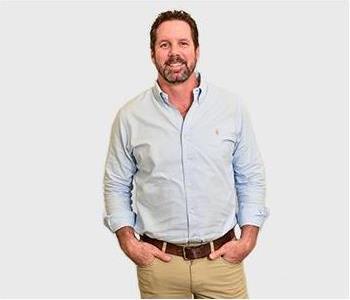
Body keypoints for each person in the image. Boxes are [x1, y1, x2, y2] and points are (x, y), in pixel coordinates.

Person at [103, 9, 269, 299]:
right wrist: (129, 243)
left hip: (222, 262)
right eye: (164, 44)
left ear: (197, 50)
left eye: (183, 43)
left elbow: (250, 175)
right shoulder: (130, 116)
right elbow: (116, 183)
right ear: (152, 53)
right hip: (160, 267)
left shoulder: (231, 108)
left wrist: (248, 239)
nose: (174, 52)